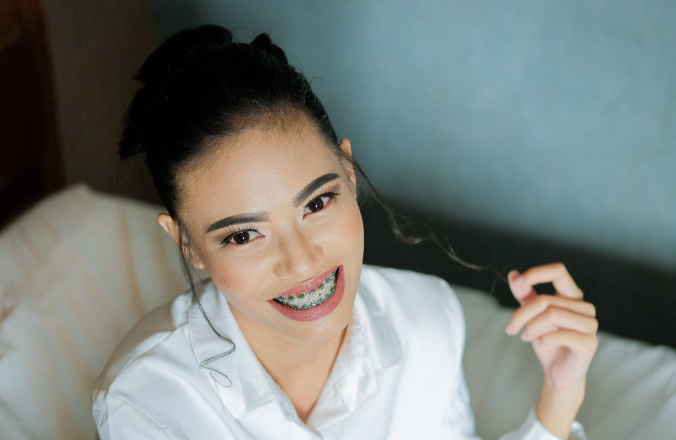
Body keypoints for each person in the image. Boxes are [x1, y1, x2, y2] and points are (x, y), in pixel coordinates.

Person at [92, 24, 598, 440]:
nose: (302, 262)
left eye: (317, 202)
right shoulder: (148, 398)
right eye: (244, 236)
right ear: (188, 244)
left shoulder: (428, 319)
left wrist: (560, 392)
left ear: (349, 174)